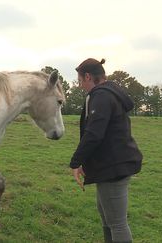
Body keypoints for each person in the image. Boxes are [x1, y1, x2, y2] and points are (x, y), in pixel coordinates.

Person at [69, 58, 142, 243]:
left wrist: (76, 162)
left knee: (117, 223)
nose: (79, 86)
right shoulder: (108, 93)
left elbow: (94, 133)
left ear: (88, 77)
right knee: (107, 219)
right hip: (111, 165)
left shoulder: (101, 96)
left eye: (79, 81)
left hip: (113, 167)